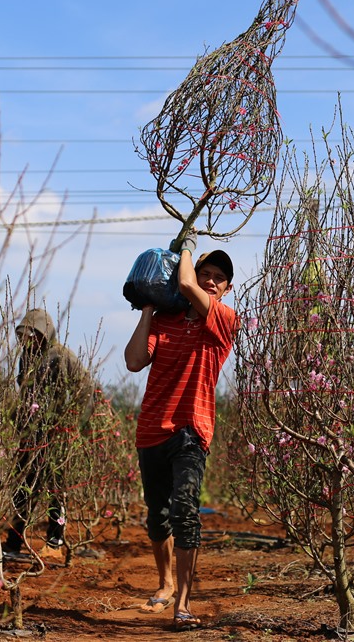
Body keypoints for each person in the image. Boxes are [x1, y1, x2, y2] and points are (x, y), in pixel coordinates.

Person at [124, 233, 239, 631]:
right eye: (205, 272)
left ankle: (184, 605)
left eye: (218, 277)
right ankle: (165, 583)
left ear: (226, 288)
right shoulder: (165, 321)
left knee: (185, 512)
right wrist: (148, 309)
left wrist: (187, 244)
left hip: (193, 428)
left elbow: (186, 285)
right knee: (158, 517)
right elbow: (135, 362)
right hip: (152, 428)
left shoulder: (223, 320)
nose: (210, 280)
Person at [4, 307, 93, 559]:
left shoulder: (62, 355)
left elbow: (85, 387)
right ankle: (13, 543)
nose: (25, 340)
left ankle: (55, 542)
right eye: (22, 335)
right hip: (30, 434)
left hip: (56, 433)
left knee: (56, 489)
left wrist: (75, 422)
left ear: (43, 333)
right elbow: (24, 390)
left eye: (30, 335)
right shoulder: (26, 356)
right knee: (22, 488)